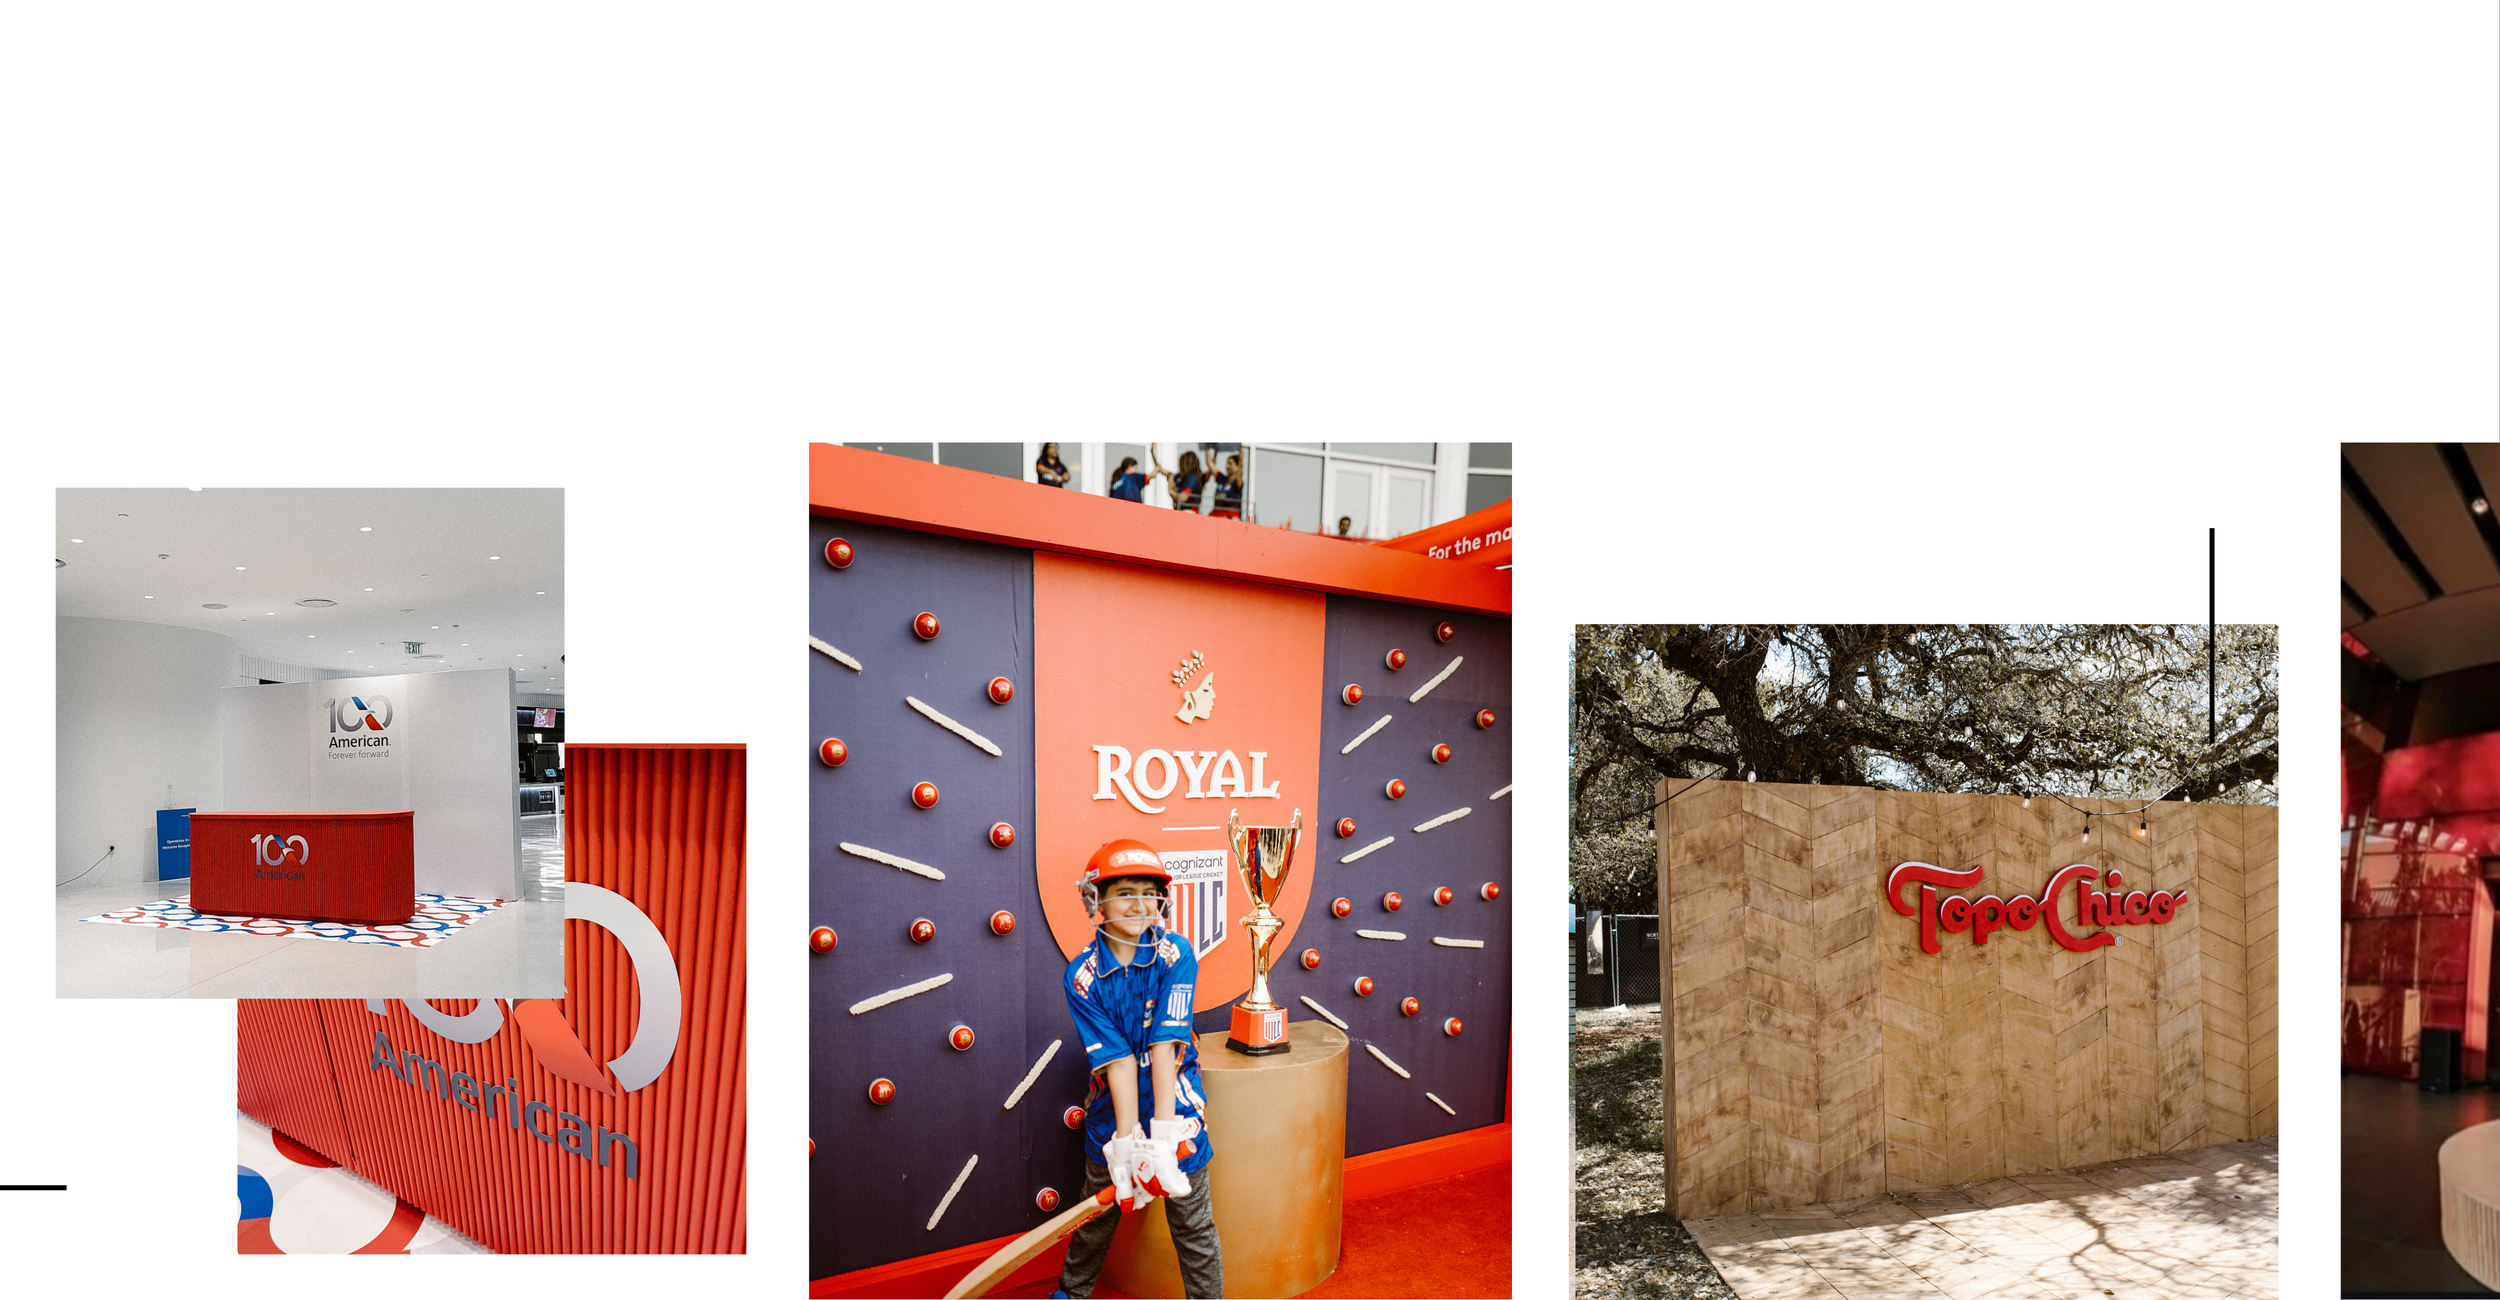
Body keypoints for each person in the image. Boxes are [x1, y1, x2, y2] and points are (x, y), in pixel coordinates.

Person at [1054, 840, 1222, 1300]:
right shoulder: (1081, 975)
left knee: (1192, 1224)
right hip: (1113, 1108)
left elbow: (1165, 1043)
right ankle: (1071, 1293)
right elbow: (1119, 1060)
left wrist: (1164, 1135)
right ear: (1096, 899)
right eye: (1125, 891)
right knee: (1096, 1220)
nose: (1140, 903)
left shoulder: (1176, 953)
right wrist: (1127, 1142)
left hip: (1177, 1103)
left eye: (1149, 892)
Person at [1208, 454, 1244, 519]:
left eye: (1230, 464)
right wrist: (1215, 450)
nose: (1227, 466)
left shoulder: (1237, 482)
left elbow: (1240, 476)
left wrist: (1241, 460)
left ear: (1237, 467)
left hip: (1230, 517)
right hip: (1216, 516)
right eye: (1227, 463)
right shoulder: (1222, 479)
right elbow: (1210, 464)